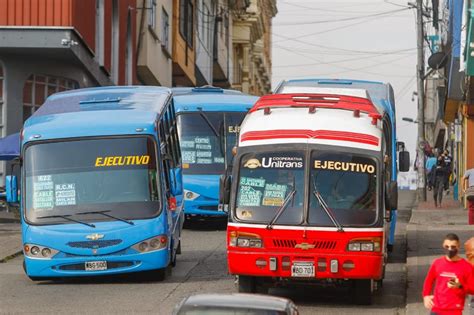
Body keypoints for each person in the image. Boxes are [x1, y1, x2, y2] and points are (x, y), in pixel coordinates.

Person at [423, 233, 474, 315]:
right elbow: (429, 280)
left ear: (458, 246)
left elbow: (472, 289)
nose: (450, 249)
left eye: (453, 247)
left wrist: (460, 286)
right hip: (436, 309)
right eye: (447, 247)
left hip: (455, 310)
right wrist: (426, 296)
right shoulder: (437, 263)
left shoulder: (466, 267)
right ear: (443, 246)